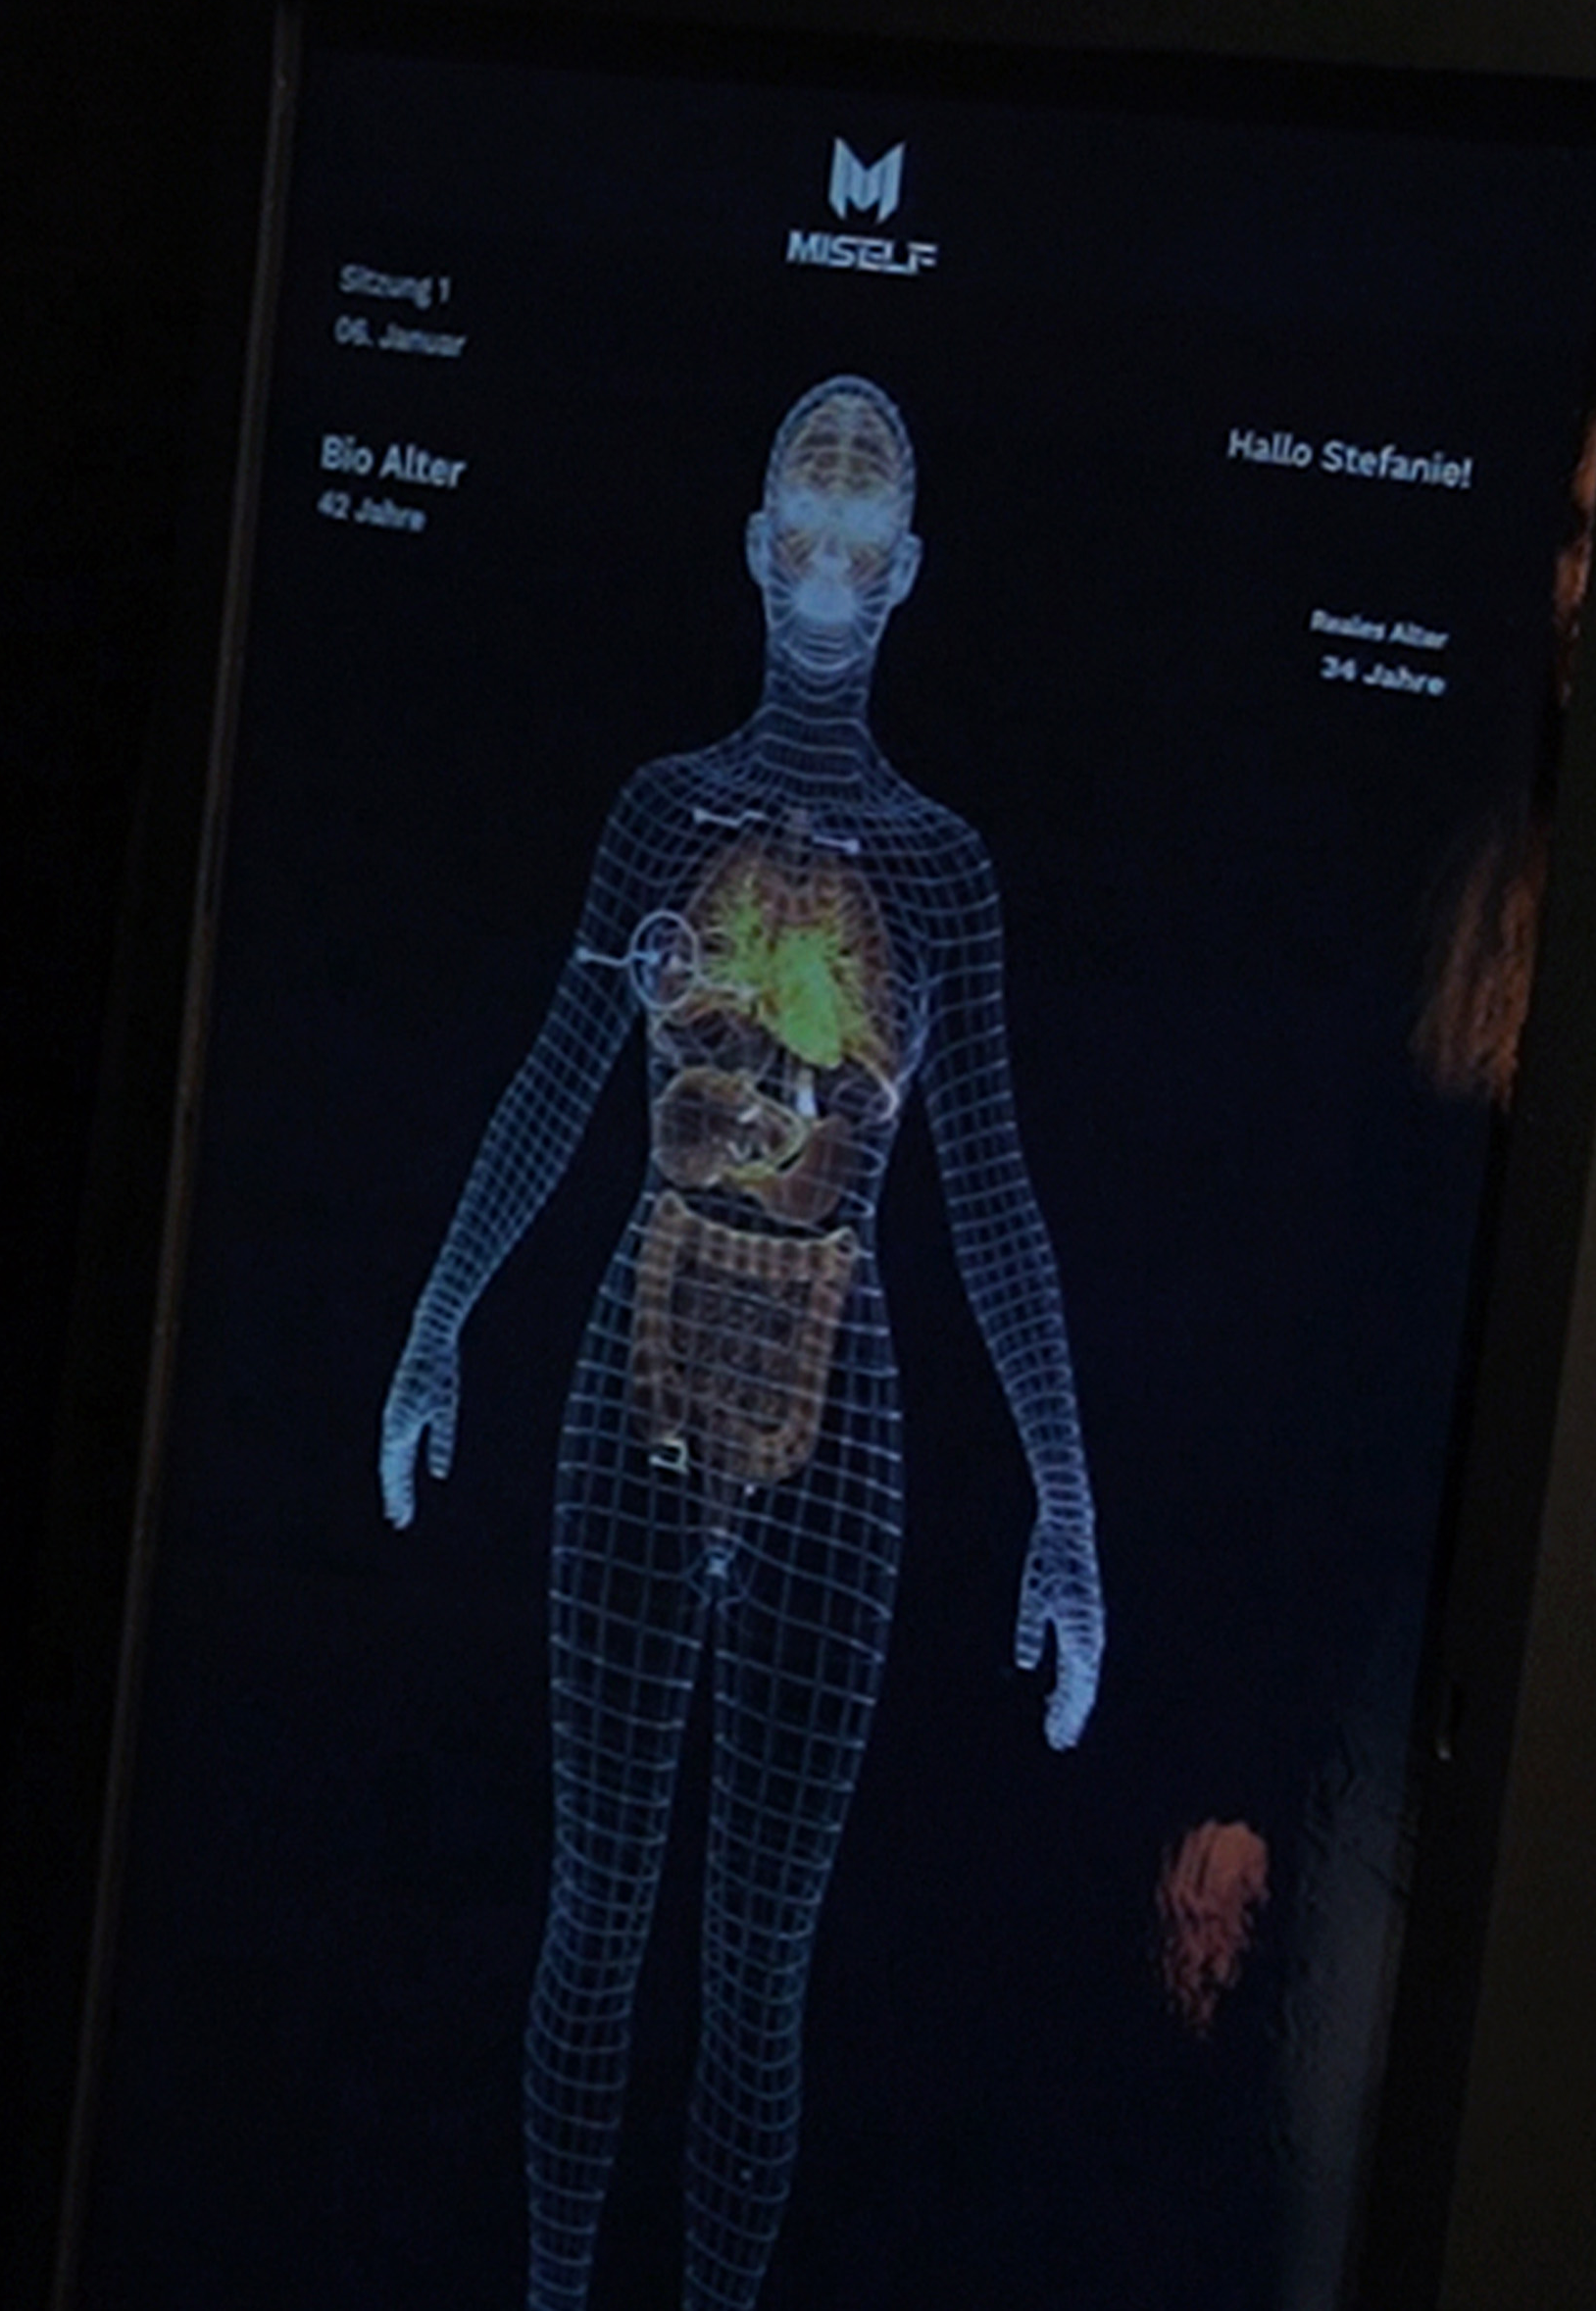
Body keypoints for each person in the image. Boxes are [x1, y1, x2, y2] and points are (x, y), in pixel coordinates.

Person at [376, 375, 1104, 2311]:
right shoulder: (659, 814)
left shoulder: (940, 871)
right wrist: (439, 1316)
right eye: (808, 526)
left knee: (756, 1959)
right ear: (760, 548)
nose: (831, 569)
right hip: (643, 1340)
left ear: (903, 569)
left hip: (832, 1382)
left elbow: (990, 1185)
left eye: (864, 537)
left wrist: (1064, 1499)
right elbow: (559, 1070)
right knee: (597, 1904)